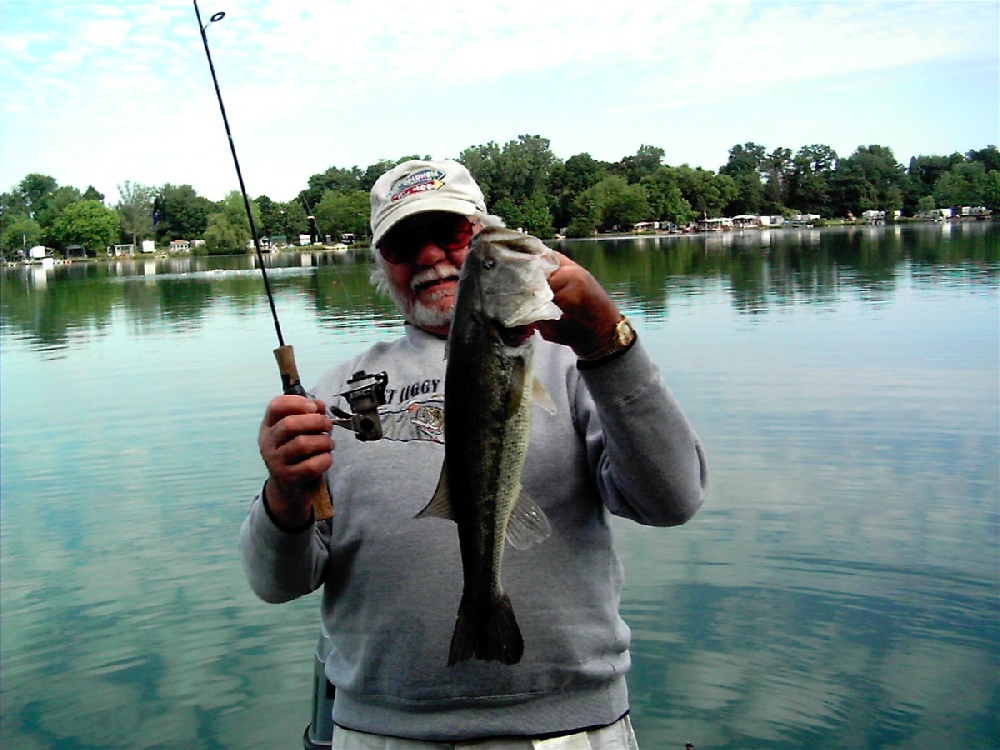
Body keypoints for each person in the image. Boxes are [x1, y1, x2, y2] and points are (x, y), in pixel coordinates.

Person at [240, 159, 708, 749]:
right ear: (383, 264)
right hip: (381, 731)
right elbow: (275, 583)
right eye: (406, 242)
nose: (432, 256)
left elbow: (673, 499)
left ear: (484, 232)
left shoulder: (575, 362)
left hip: (571, 728)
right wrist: (282, 495)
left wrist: (610, 341)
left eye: (456, 235)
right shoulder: (329, 396)